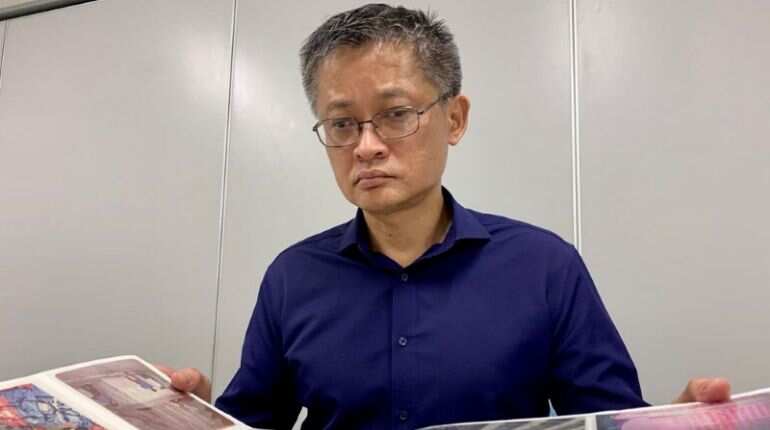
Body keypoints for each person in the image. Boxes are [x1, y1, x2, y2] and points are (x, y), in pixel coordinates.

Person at [159, 4, 731, 429]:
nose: (366, 146)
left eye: (395, 114)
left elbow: (607, 420)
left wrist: (668, 423)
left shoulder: (544, 266)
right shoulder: (292, 277)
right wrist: (194, 419)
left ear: (454, 119)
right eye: (341, 124)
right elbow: (255, 421)